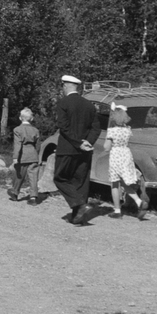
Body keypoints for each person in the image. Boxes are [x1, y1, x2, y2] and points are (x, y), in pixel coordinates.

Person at [53, 74, 101, 225]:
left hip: (68, 148)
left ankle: (79, 205)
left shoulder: (63, 103)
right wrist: (88, 142)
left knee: (60, 178)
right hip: (85, 150)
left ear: (66, 86)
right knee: (80, 182)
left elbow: (64, 127)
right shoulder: (89, 105)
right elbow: (96, 128)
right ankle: (77, 216)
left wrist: (77, 142)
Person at [103, 106, 148, 220]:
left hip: (116, 156)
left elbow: (106, 147)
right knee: (124, 182)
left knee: (114, 183)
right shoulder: (128, 130)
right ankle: (138, 202)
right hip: (126, 155)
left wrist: (107, 139)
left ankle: (117, 210)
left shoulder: (112, 131)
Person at [8, 107, 43, 203]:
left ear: (20, 118)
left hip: (22, 156)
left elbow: (17, 144)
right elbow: (38, 145)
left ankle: (15, 193)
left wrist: (15, 157)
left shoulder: (17, 130)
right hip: (33, 155)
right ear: (31, 119)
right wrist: (36, 154)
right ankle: (33, 197)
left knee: (19, 174)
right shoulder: (35, 130)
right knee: (33, 177)